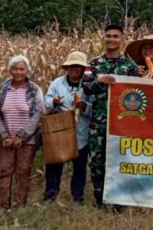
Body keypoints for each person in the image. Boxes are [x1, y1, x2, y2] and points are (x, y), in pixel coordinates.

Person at [81, 23, 140, 208]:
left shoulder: (129, 66)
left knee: (119, 161)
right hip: (98, 121)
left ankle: (117, 202)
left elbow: (138, 93)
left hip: (122, 124)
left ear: (122, 40)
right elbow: (86, 87)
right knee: (97, 163)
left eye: (116, 36)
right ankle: (99, 200)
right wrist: (98, 81)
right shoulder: (94, 64)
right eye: (108, 36)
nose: (112, 39)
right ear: (103, 38)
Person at [43, 51, 93, 205]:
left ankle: (77, 197)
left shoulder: (88, 86)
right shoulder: (57, 83)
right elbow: (46, 100)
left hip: (80, 132)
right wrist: (55, 102)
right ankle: (50, 195)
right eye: (71, 66)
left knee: (79, 167)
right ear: (67, 68)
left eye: (78, 66)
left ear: (83, 69)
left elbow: (94, 107)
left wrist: (83, 105)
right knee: (54, 165)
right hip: (59, 130)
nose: (74, 69)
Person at [0, 55, 44, 211]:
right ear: (10, 70)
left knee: (23, 172)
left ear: (27, 71)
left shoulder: (34, 89)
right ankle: (4, 207)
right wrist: (4, 136)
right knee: (4, 171)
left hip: (27, 140)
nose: (18, 72)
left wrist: (22, 136)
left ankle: (20, 206)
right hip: (6, 139)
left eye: (21, 69)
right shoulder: (4, 88)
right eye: (15, 69)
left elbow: (38, 113)